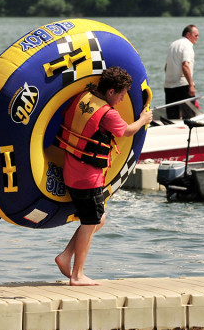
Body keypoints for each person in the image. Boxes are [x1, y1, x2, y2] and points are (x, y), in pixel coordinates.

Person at [54, 67, 152, 286]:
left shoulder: (84, 98)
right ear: (110, 92)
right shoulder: (108, 114)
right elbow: (126, 131)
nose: (123, 98)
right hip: (87, 178)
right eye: (122, 94)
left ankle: (65, 256)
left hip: (72, 172)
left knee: (99, 219)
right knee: (91, 222)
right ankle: (77, 275)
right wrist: (144, 119)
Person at [163, 25, 199, 120]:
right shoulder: (187, 45)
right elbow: (185, 65)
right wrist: (191, 85)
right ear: (188, 34)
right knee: (189, 117)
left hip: (169, 85)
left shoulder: (173, 44)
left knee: (172, 118)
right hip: (183, 86)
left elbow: (166, 67)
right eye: (196, 35)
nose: (197, 38)